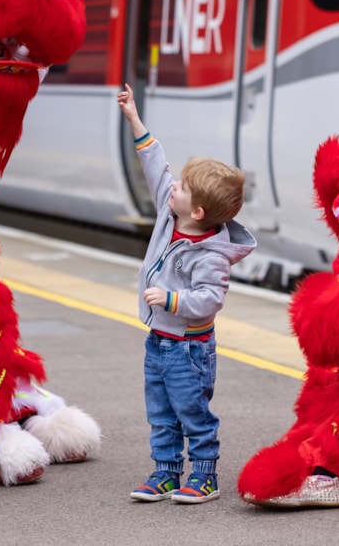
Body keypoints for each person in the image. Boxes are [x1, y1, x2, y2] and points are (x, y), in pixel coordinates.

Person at [117, 83, 256, 504]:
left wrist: (172, 300)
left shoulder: (211, 255)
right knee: (160, 414)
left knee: (192, 413)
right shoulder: (168, 213)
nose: (171, 186)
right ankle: (166, 473)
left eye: (181, 187)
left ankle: (206, 476)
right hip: (159, 341)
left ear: (196, 212)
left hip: (190, 350)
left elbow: (210, 299)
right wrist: (135, 120)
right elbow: (155, 167)